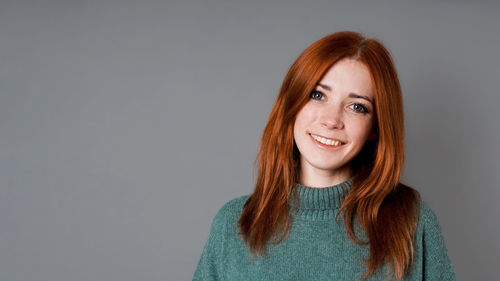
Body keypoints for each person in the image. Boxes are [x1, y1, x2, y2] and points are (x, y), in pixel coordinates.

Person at [193, 31, 457, 281]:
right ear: (292, 103)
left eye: (357, 107)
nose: (332, 120)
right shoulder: (233, 224)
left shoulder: (412, 223)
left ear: (375, 127)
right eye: (317, 95)